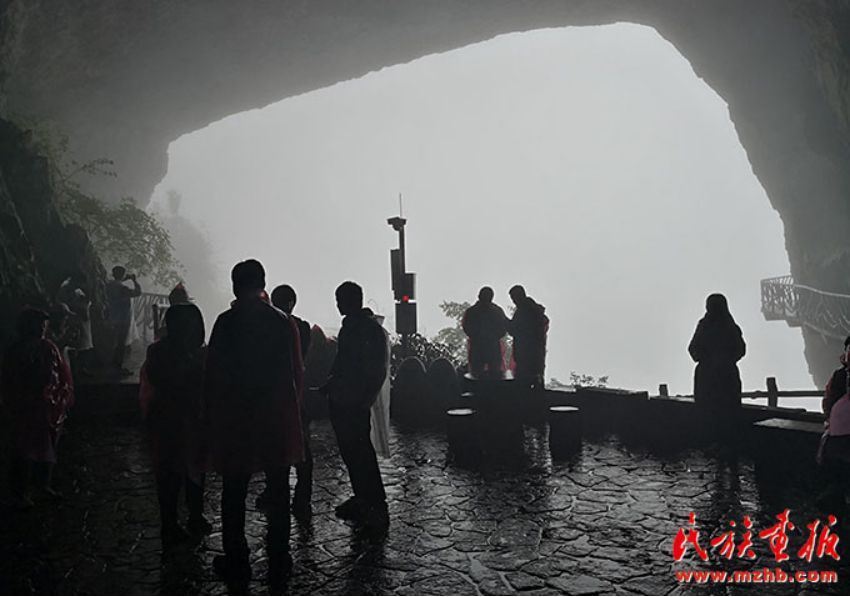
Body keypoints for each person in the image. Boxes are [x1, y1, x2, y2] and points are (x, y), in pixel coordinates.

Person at [204, 260, 304, 582]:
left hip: (237, 417)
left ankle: (237, 557)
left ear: (236, 286)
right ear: (263, 283)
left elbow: (214, 373)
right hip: (275, 416)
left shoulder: (226, 322)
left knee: (234, 489)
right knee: (278, 488)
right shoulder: (282, 322)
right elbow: (295, 372)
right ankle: (279, 553)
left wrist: (212, 415)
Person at [139, 303, 211, 548]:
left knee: (195, 469)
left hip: (187, 417)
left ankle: (193, 515)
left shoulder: (168, 351)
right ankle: (170, 523)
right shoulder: (163, 352)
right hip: (172, 418)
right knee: (172, 472)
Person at [322, 281, 389, 527]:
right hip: (351, 398)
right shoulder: (363, 328)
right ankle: (367, 496)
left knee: (357, 450)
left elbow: (368, 368)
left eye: (340, 300)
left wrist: (363, 397)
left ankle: (369, 498)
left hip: (352, 400)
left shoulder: (359, 330)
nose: (338, 305)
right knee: (356, 450)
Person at [1, 308, 74, 505]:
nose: (42, 328)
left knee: (48, 446)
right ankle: (21, 491)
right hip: (27, 407)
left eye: (43, 324)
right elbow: (11, 381)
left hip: (49, 408)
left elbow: (61, 373)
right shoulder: (16, 352)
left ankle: (43, 485)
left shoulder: (49, 347)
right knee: (25, 450)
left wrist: (62, 398)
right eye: (37, 324)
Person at [255, 284, 313, 519]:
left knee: (275, 448)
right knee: (302, 447)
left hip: (272, 395)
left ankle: (275, 491)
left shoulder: (266, 326)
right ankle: (302, 496)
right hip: (296, 393)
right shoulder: (302, 327)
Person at [687, 293, 746, 417]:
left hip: (709, 377)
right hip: (724, 376)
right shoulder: (730, 327)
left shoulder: (705, 326)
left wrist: (709, 359)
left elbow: (693, 349)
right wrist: (724, 359)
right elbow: (741, 350)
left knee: (708, 415)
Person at [818, 336, 850, 517]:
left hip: (838, 435)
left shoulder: (839, 375)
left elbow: (828, 401)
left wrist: (831, 419)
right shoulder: (839, 376)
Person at [507, 285, 549, 389]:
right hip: (536, 353)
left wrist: (506, 323)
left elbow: (516, 330)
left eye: (514, 298)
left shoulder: (524, 311)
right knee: (537, 380)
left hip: (526, 354)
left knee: (524, 384)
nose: (514, 301)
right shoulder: (534, 310)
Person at [461, 287, 509, 378]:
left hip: (479, 347)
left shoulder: (472, 311)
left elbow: (466, 327)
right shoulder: (497, 311)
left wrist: (479, 336)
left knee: (478, 375)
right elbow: (504, 328)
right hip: (488, 347)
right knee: (491, 375)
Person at [106, 265, 142, 376]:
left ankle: (112, 366)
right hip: (122, 319)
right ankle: (118, 368)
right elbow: (138, 292)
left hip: (112, 316)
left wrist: (123, 279)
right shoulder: (122, 288)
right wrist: (134, 281)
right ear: (122, 274)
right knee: (121, 344)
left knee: (114, 343)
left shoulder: (109, 285)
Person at [57, 273, 93, 377]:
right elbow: (64, 304)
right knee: (75, 345)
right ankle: (74, 370)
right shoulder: (65, 289)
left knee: (83, 344)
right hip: (73, 320)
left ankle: (81, 368)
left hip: (81, 320)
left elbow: (84, 300)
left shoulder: (76, 289)